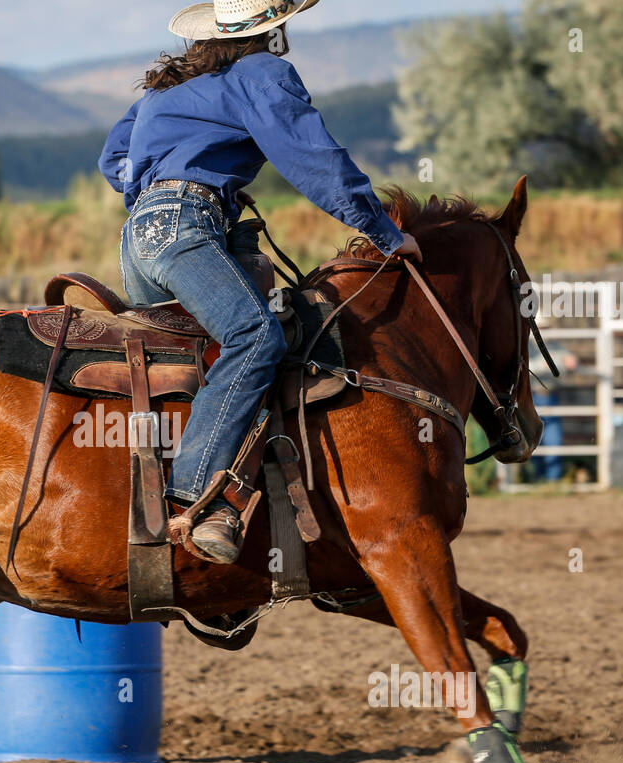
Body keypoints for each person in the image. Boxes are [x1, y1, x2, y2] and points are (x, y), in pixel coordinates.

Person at [99, 0, 421, 565]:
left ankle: (137, 502)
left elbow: (115, 160)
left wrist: (170, 180)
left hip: (137, 239)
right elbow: (315, 159)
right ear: (273, 30)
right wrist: (386, 232)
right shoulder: (263, 75)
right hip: (186, 228)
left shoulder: (165, 90)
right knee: (256, 338)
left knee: (179, 366)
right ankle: (198, 494)